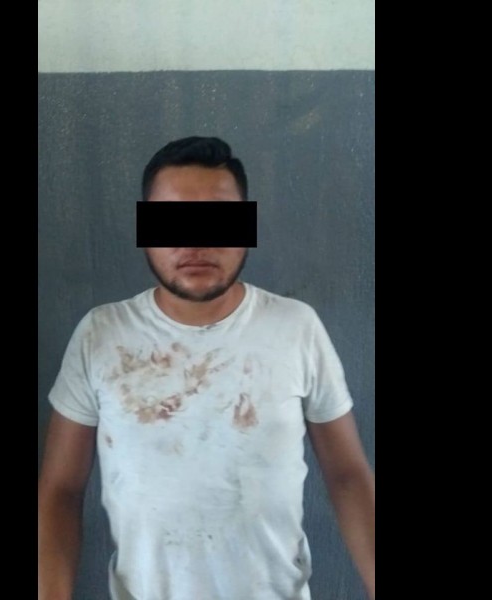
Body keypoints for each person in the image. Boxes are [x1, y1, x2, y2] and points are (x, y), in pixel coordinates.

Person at [38, 137, 375, 600]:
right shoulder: (101, 335)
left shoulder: (296, 328)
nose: (195, 242)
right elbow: (60, 489)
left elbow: (348, 475)